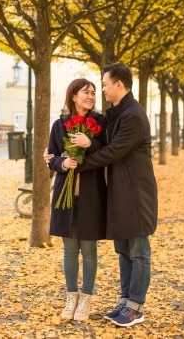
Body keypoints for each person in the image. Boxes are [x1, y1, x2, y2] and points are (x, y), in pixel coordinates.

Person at [68, 63, 158, 328]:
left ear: (119, 84)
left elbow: (113, 152)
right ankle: (125, 300)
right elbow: (103, 142)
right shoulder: (117, 113)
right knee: (123, 250)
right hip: (120, 192)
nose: (102, 89)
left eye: (105, 84)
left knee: (138, 251)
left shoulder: (132, 115)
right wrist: (63, 157)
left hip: (136, 194)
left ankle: (136, 306)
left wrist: (79, 164)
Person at [46, 78, 107, 322]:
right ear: (73, 96)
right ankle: (71, 297)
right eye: (86, 92)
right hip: (65, 195)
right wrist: (62, 162)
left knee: (89, 250)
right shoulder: (59, 125)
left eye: (93, 92)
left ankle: (86, 300)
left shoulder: (101, 122)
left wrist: (88, 142)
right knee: (70, 250)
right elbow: (50, 157)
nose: (91, 96)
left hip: (92, 195)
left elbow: (108, 152)